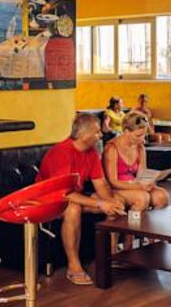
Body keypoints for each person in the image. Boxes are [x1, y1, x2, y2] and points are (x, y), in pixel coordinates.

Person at [37, 112, 126, 286]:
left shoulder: (91, 152)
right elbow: (64, 193)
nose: (101, 135)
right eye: (97, 132)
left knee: (115, 202)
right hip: (49, 200)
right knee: (73, 209)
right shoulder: (61, 152)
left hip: (72, 195)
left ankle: (108, 256)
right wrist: (100, 203)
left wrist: (111, 202)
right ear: (83, 134)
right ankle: (73, 266)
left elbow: (101, 184)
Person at [103, 112, 169, 212]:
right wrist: (138, 186)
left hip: (135, 185)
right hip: (117, 188)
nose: (142, 139)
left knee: (162, 196)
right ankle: (131, 222)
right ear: (126, 132)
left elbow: (142, 175)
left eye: (144, 135)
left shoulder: (140, 147)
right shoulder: (112, 149)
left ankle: (146, 221)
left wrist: (148, 182)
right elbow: (113, 182)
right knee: (143, 198)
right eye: (138, 135)